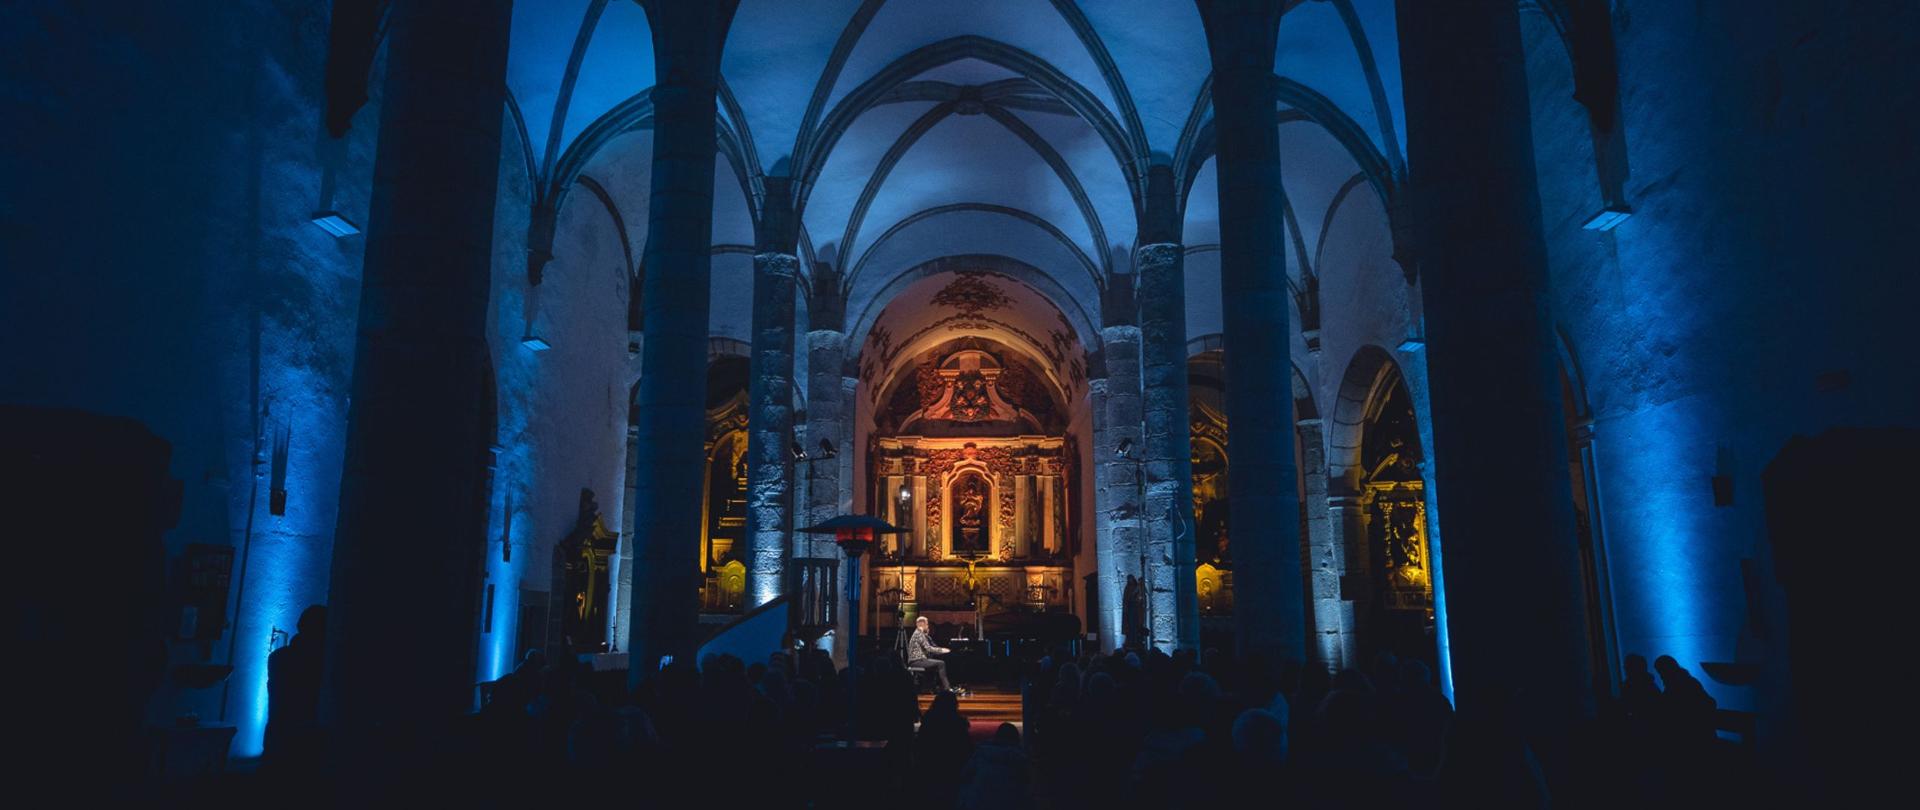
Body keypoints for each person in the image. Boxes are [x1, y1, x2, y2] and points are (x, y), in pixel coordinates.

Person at [908, 616, 963, 695]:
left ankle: (937, 688)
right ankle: (947, 688)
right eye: (927, 624)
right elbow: (928, 648)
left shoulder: (919, 633)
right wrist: (942, 650)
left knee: (938, 664)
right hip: (916, 661)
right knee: (941, 663)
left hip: (919, 660)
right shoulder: (919, 634)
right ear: (922, 624)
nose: (928, 626)